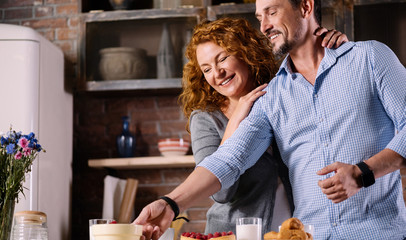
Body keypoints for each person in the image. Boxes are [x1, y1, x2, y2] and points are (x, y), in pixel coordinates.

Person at [134, 0, 406, 239]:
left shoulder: (368, 58)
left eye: (272, 12)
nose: (263, 26)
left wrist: (363, 173)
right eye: (259, 16)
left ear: (306, 7)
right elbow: (228, 159)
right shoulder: (272, 94)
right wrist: (170, 203)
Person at [179, 17, 347, 234]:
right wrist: (237, 120)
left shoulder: (280, 92)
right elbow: (221, 193)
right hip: (235, 235)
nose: (217, 73)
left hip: (292, 232)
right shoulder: (206, 118)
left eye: (222, 59)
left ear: (245, 53)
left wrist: (337, 50)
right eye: (207, 69)